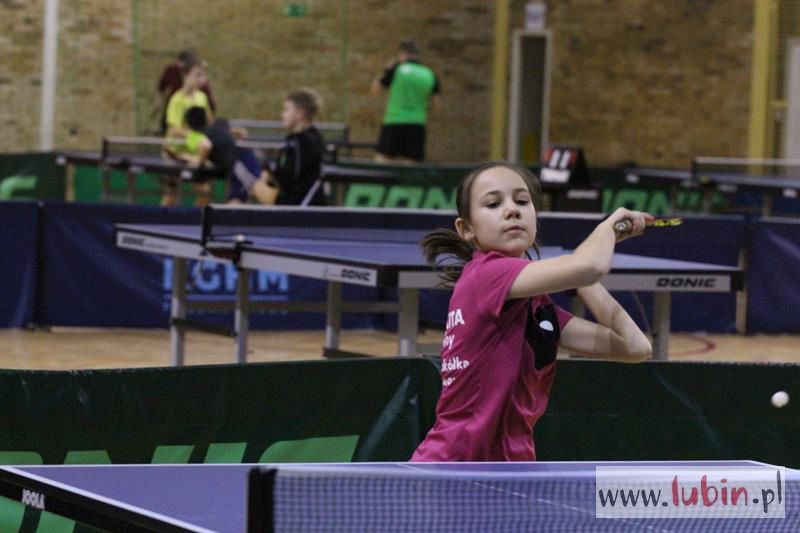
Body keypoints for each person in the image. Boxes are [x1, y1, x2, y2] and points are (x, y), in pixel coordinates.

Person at [410, 162, 653, 462]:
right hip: (455, 466)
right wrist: (608, 229)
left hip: (513, 469)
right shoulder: (485, 275)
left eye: (522, 201)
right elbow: (591, 265)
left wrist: (582, 279)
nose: (512, 210)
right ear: (466, 229)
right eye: (493, 203)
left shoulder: (538, 309)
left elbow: (635, 347)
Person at [371, 39, 440, 162]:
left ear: (402, 53)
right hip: (417, 123)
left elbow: (375, 89)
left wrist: (385, 70)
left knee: (382, 160)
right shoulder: (429, 74)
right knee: (410, 163)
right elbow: (437, 105)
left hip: (394, 121)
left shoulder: (397, 68)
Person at [258, 88, 327, 206]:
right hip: (307, 202)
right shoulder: (314, 136)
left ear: (300, 113)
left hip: (297, 205)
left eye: (286, 109)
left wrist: (268, 166)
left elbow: (287, 178)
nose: (282, 114)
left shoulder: (300, 141)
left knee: (249, 174)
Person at [151, 49, 216, 135]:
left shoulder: (202, 97)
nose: (202, 80)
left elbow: (209, 121)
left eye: (203, 75)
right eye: (198, 75)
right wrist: (194, 137)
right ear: (186, 75)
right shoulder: (177, 99)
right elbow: (173, 130)